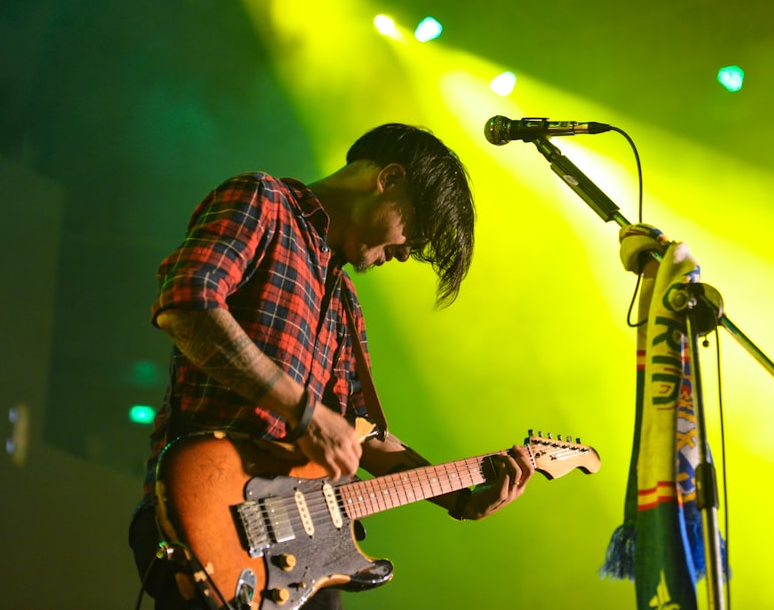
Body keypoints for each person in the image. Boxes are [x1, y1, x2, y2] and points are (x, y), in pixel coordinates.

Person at [129, 123, 535, 609]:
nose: (407, 253)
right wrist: (305, 413)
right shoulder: (264, 201)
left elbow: (360, 436)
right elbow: (186, 303)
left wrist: (462, 498)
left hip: (303, 551)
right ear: (388, 179)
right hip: (216, 520)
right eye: (414, 231)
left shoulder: (344, 299)